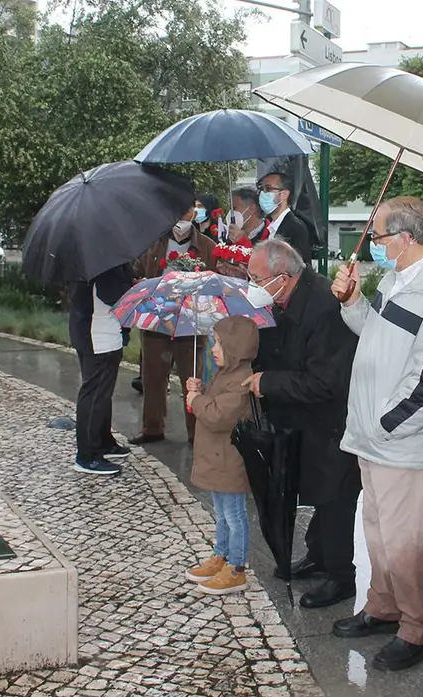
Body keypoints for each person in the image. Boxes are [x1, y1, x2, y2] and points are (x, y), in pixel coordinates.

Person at [329, 196, 423, 672]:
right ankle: (383, 604)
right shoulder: (394, 278)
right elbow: (373, 332)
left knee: (407, 536)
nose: (375, 244)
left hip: (399, 437)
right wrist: (353, 301)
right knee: (378, 528)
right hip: (370, 430)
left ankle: (418, 626)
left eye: (379, 236)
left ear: (405, 239)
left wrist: (387, 421)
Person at [246, 239, 360, 609]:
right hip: (301, 417)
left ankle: (341, 577)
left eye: (255, 277)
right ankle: (318, 554)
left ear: (283, 277)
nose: (252, 285)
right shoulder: (283, 298)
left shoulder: (325, 305)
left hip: (333, 417)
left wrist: (269, 382)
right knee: (316, 489)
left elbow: (326, 381)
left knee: (335, 495)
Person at [183, 316, 260, 595]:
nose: (213, 348)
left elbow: (218, 415)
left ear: (236, 347)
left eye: (219, 343)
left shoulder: (241, 379)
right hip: (218, 459)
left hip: (230, 461)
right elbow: (213, 402)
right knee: (222, 514)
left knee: (234, 515)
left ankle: (237, 568)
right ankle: (221, 554)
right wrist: (199, 391)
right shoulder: (225, 373)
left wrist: (197, 401)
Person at [131, 210, 217, 446]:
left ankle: (196, 432)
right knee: (153, 376)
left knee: (192, 377)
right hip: (157, 318)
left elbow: (216, 281)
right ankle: (152, 427)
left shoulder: (207, 246)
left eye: (187, 209)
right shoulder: (152, 243)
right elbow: (136, 272)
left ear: (194, 211)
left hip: (191, 320)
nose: (181, 215)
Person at [67, 264, 134, 475]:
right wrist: (135, 289)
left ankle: (104, 441)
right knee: (94, 394)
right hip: (98, 336)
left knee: (103, 394)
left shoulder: (103, 256)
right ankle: (88, 455)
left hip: (106, 332)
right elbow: (112, 294)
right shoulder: (101, 262)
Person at [258, 172, 313, 264]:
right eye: (261, 189)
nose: (262, 194)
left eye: (268, 188)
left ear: (284, 194)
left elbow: (300, 268)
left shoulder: (295, 228)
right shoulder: (272, 226)